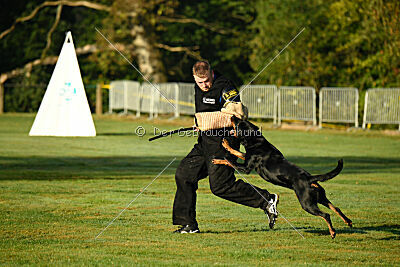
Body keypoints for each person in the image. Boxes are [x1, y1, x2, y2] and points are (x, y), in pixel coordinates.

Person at [172, 61, 279, 233]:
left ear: (211, 73)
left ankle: (266, 200)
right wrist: (198, 123)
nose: (204, 85)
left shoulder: (225, 86)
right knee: (184, 174)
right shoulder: (197, 86)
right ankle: (188, 225)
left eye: (207, 80)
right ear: (194, 78)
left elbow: (239, 113)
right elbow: (203, 111)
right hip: (205, 142)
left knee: (220, 186)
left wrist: (208, 121)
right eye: (200, 82)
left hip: (224, 143)